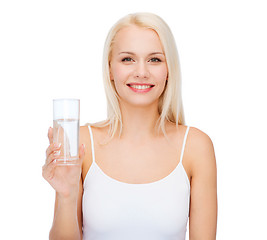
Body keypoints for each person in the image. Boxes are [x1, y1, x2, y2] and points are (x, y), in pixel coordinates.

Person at [43, 12, 217, 240]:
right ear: (110, 70)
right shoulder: (82, 143)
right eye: (127, 59)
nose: (141, 72)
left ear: (169, 70)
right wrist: (65, 194)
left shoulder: (196, 147)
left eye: (155, 59)